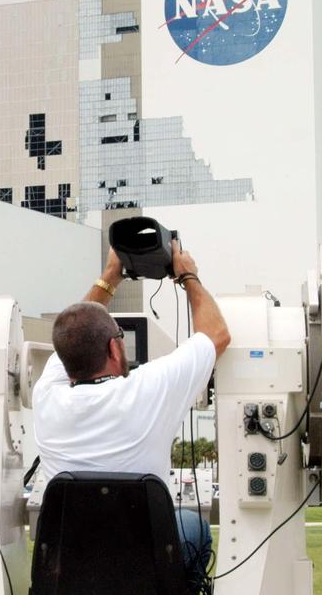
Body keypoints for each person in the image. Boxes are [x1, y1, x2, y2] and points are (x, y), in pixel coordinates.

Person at [32, 240, 231, 575]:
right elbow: (217, 335)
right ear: (114, 348)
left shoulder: (46, 396)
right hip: (145, 574)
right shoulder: (149, 389)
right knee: (190, 523)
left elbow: (72, 334)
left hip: (72, 575)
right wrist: (188, 276)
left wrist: (110, 276)